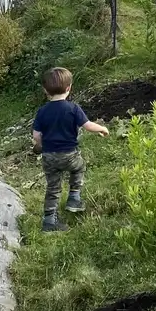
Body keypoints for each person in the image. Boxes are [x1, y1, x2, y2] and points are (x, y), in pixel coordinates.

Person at [32, 67, 109, 232]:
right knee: (79, 168)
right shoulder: (73, 108)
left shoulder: (42, 111)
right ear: (69, 88)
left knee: (53, 187)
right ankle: (74, 198)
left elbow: (36, 136)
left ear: (45, 90)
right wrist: (102, 128)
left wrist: (39, 145)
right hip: (69, 155)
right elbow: (88, 126)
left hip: (49, 157)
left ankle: (49, 222)